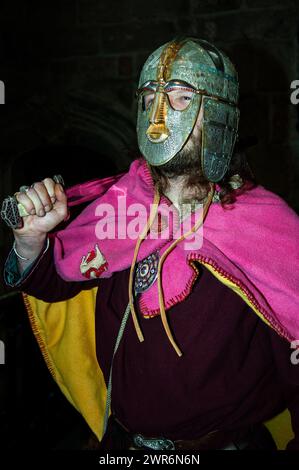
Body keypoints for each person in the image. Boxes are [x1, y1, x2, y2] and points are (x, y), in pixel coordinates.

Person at [3, 37, 299, 450]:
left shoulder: (267, 227)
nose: (159, 118)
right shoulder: (120, 203)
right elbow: (59, 282)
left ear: (218, 114)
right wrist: (30, 241)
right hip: (120, 445)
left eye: (180, 99)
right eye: (149, 99)